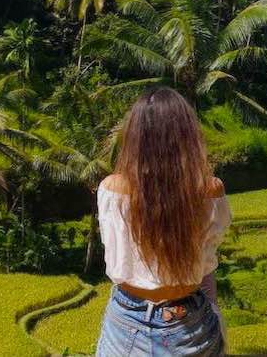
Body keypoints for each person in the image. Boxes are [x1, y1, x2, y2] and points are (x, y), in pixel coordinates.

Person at [96, 87, 231, 356]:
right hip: (188, 321)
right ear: (187, 136)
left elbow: (114, 256)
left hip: (127, 320)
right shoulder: (210, 190)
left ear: (135, 136)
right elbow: (207, 260)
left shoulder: (112, 189)